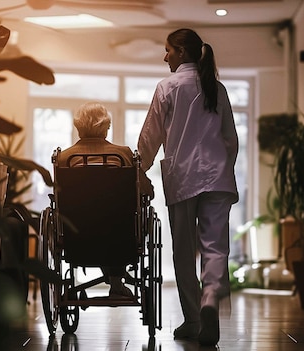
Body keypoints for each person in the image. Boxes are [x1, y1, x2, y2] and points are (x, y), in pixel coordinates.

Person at [138, 28, 238, 346]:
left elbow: (150, 136)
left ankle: (194, 319)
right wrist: (222, 169)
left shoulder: (168, 86)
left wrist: (138, 169)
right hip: (218, 178)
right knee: (215, 248)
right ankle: (210, 302)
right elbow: (230, 139)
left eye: (168, 50)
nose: (165, 56)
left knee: (184, 250)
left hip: (183, 179)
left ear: (181, 52)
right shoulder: (216, 88)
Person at [57, 101, 154, 299]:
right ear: (106, 127)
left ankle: (113, 277)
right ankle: (116, 279)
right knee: (114, 218)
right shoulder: (124, 155)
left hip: (77, 238)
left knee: (94, 218)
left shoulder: (64, 159)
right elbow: (147, 192)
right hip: (120, 237)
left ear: (77, 126)